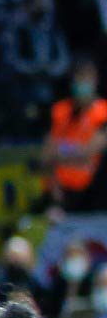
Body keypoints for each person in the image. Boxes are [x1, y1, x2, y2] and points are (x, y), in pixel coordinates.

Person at [41, 57, 107, 212]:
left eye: (87, 78)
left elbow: (88, 153)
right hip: (59, 192)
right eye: (79, 78)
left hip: (91, 192)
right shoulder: (60, 111)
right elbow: (46, 156)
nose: (83, 83)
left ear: (96, 80)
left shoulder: (103, 111)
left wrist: (60, 151)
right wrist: (54, 189)